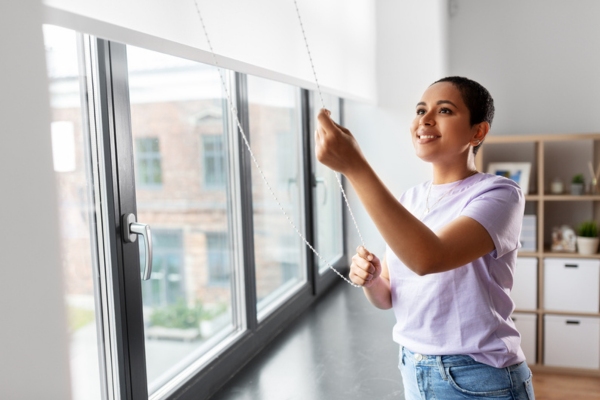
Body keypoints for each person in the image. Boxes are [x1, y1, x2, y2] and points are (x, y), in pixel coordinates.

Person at [315, 76, 535, 399]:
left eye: (444, 110)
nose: (425, 119)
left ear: (478, 131)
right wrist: (372, 280)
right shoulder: (409, 200)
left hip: (479, 377)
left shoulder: (500, 195)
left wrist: (355, 166)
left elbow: (429, 257)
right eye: (420, 110)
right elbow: (387, 296)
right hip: (413, 368)